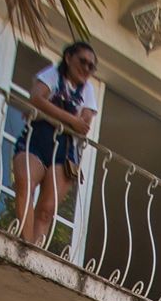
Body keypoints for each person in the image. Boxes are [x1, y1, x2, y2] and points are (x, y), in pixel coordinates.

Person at [11, 41, 99, 251]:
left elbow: (83, 126)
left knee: (47, 209)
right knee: (25, 185)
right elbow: (36, 97)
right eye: (83, 62)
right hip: (37, 139)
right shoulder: (52, 74)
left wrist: (48, 112)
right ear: (68, 58)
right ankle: (25, 244)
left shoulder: (88, 90)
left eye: (91, 66)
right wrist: (69, 119)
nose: (86, 69)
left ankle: (34, 251)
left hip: (64, 149)